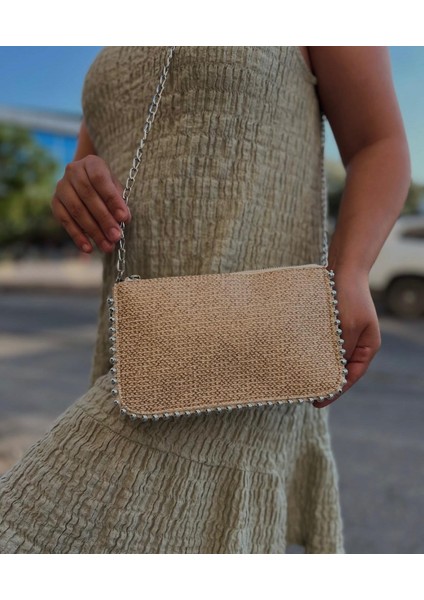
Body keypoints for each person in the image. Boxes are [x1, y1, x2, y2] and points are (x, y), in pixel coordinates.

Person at [0, 47, 410, 553]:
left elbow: (379, 143)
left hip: (255, 363)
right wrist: (77, 185)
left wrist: (351, 270)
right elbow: (96, 159)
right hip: (141, 365)